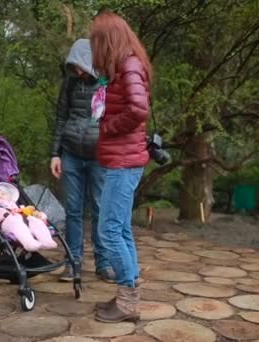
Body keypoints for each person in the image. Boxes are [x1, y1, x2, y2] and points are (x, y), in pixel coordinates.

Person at [89, 12, 153, 323]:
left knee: (109, 231)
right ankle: (127, 292)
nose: (93, 47)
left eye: (96, 41)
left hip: (124, 162)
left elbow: (139, 109)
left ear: (108, 40)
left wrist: (110, 127)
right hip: (122, 160)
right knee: (121, 228)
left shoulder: (128, 65)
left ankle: (128, 301)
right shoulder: (118, 68)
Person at [50, 39, 114, 283]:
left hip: (100, 157)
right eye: (73, 66)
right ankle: (73, 262)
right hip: (72, 155)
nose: (77, 71)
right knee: (73, 211)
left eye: (80, 65)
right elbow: (60, 118)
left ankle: (104, 262)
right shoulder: (70, 84)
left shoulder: (109, 82)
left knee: (100, 209)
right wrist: (55, 154)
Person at [0, 182, 57, 251]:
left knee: (36, 221)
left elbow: (29, 212)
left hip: (25, 221)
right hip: (9, 223)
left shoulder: (19, 206)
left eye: (3, 194)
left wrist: (39, 215)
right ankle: (29, 244)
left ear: (9, 196)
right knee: (16, 222)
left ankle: (46, 241)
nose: (0, 196)